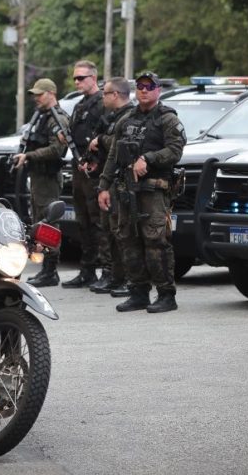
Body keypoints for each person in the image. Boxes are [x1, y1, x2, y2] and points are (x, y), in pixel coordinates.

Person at [97, 71, 186, 313]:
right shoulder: (127, 120)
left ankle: (166, 295)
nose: (144, 90)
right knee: (128, 240)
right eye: (140, 86)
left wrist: (148, 158)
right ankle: (138, 292)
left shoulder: (167, 119)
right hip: (126, 190)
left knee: (156, 241)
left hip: (154, 191)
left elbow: (175, 150)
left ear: (158, 90)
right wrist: (103, 187)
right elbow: (114, 155)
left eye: (149, 86)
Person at [11, 78, 70, 288]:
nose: (36, 98)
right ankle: (45, 268)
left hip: (48, 177)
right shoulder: (43, 117)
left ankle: (51, 270)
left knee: (49, 222)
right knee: (39, 221)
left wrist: (29, 156)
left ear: (51, 93)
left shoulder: (58, 119)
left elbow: (57, 149)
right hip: (38, 177)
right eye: (35, 94)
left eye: (40, 94)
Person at [62, 60, 110, 289]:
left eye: (81, 78)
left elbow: (106, 138)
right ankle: (87, 270)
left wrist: (95, 163)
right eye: (75, 78)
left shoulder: (102, 103)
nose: (77, 82)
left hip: (96, 170)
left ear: (93, 78)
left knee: (99, 222)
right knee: (83, 222)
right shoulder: (80, 104)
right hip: (78, 168)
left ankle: (108, 271)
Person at [88, 77, 134, 297]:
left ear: (115, 94)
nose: (102, 97)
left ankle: (128, 278)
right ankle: (115, 276)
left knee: (121, 232)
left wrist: (101, 140)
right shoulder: (113, 117)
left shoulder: (129, 116)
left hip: (125, 181)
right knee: (109, 230)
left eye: (105, 93)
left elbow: (120, 147)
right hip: (110, 179)